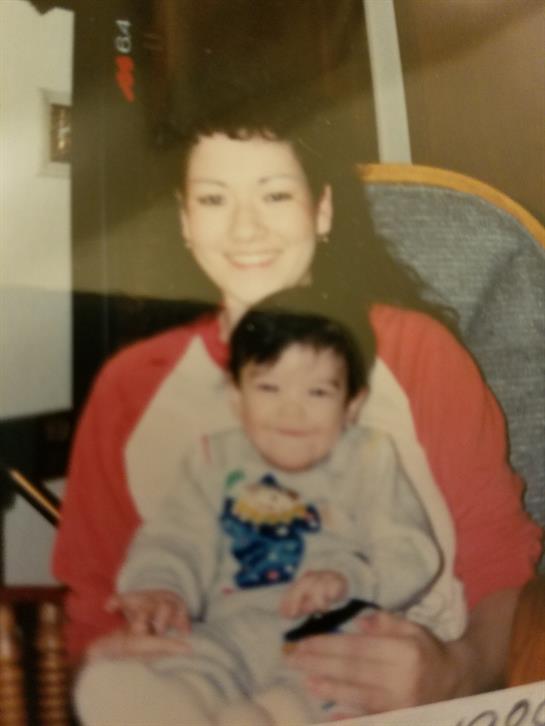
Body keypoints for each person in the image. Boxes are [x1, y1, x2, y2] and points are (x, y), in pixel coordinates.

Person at [53, 99, 542, 716]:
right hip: (217, 666)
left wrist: (456, 671)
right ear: (184, 221)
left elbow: (500, 569)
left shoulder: (417, 357)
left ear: (323, 209)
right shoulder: (133, 387)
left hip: (372, 678)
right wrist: (131, 628)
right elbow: (96, 605)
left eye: (275, 195)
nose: (245, 229)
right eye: (214, 199)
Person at [75, 291, 447, 725]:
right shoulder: (214, 460)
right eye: (268, 387)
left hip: (333, 632)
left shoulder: (368, 457)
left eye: (317, 392)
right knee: (187, 656)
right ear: (236, 396)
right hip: (233, 628)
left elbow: (410, 551)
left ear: (352, 404)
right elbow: (175, 539)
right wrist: (161, 587)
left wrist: (350, 577)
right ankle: (177, 702)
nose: (291, 410)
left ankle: (267, 716)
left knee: (322, 691)